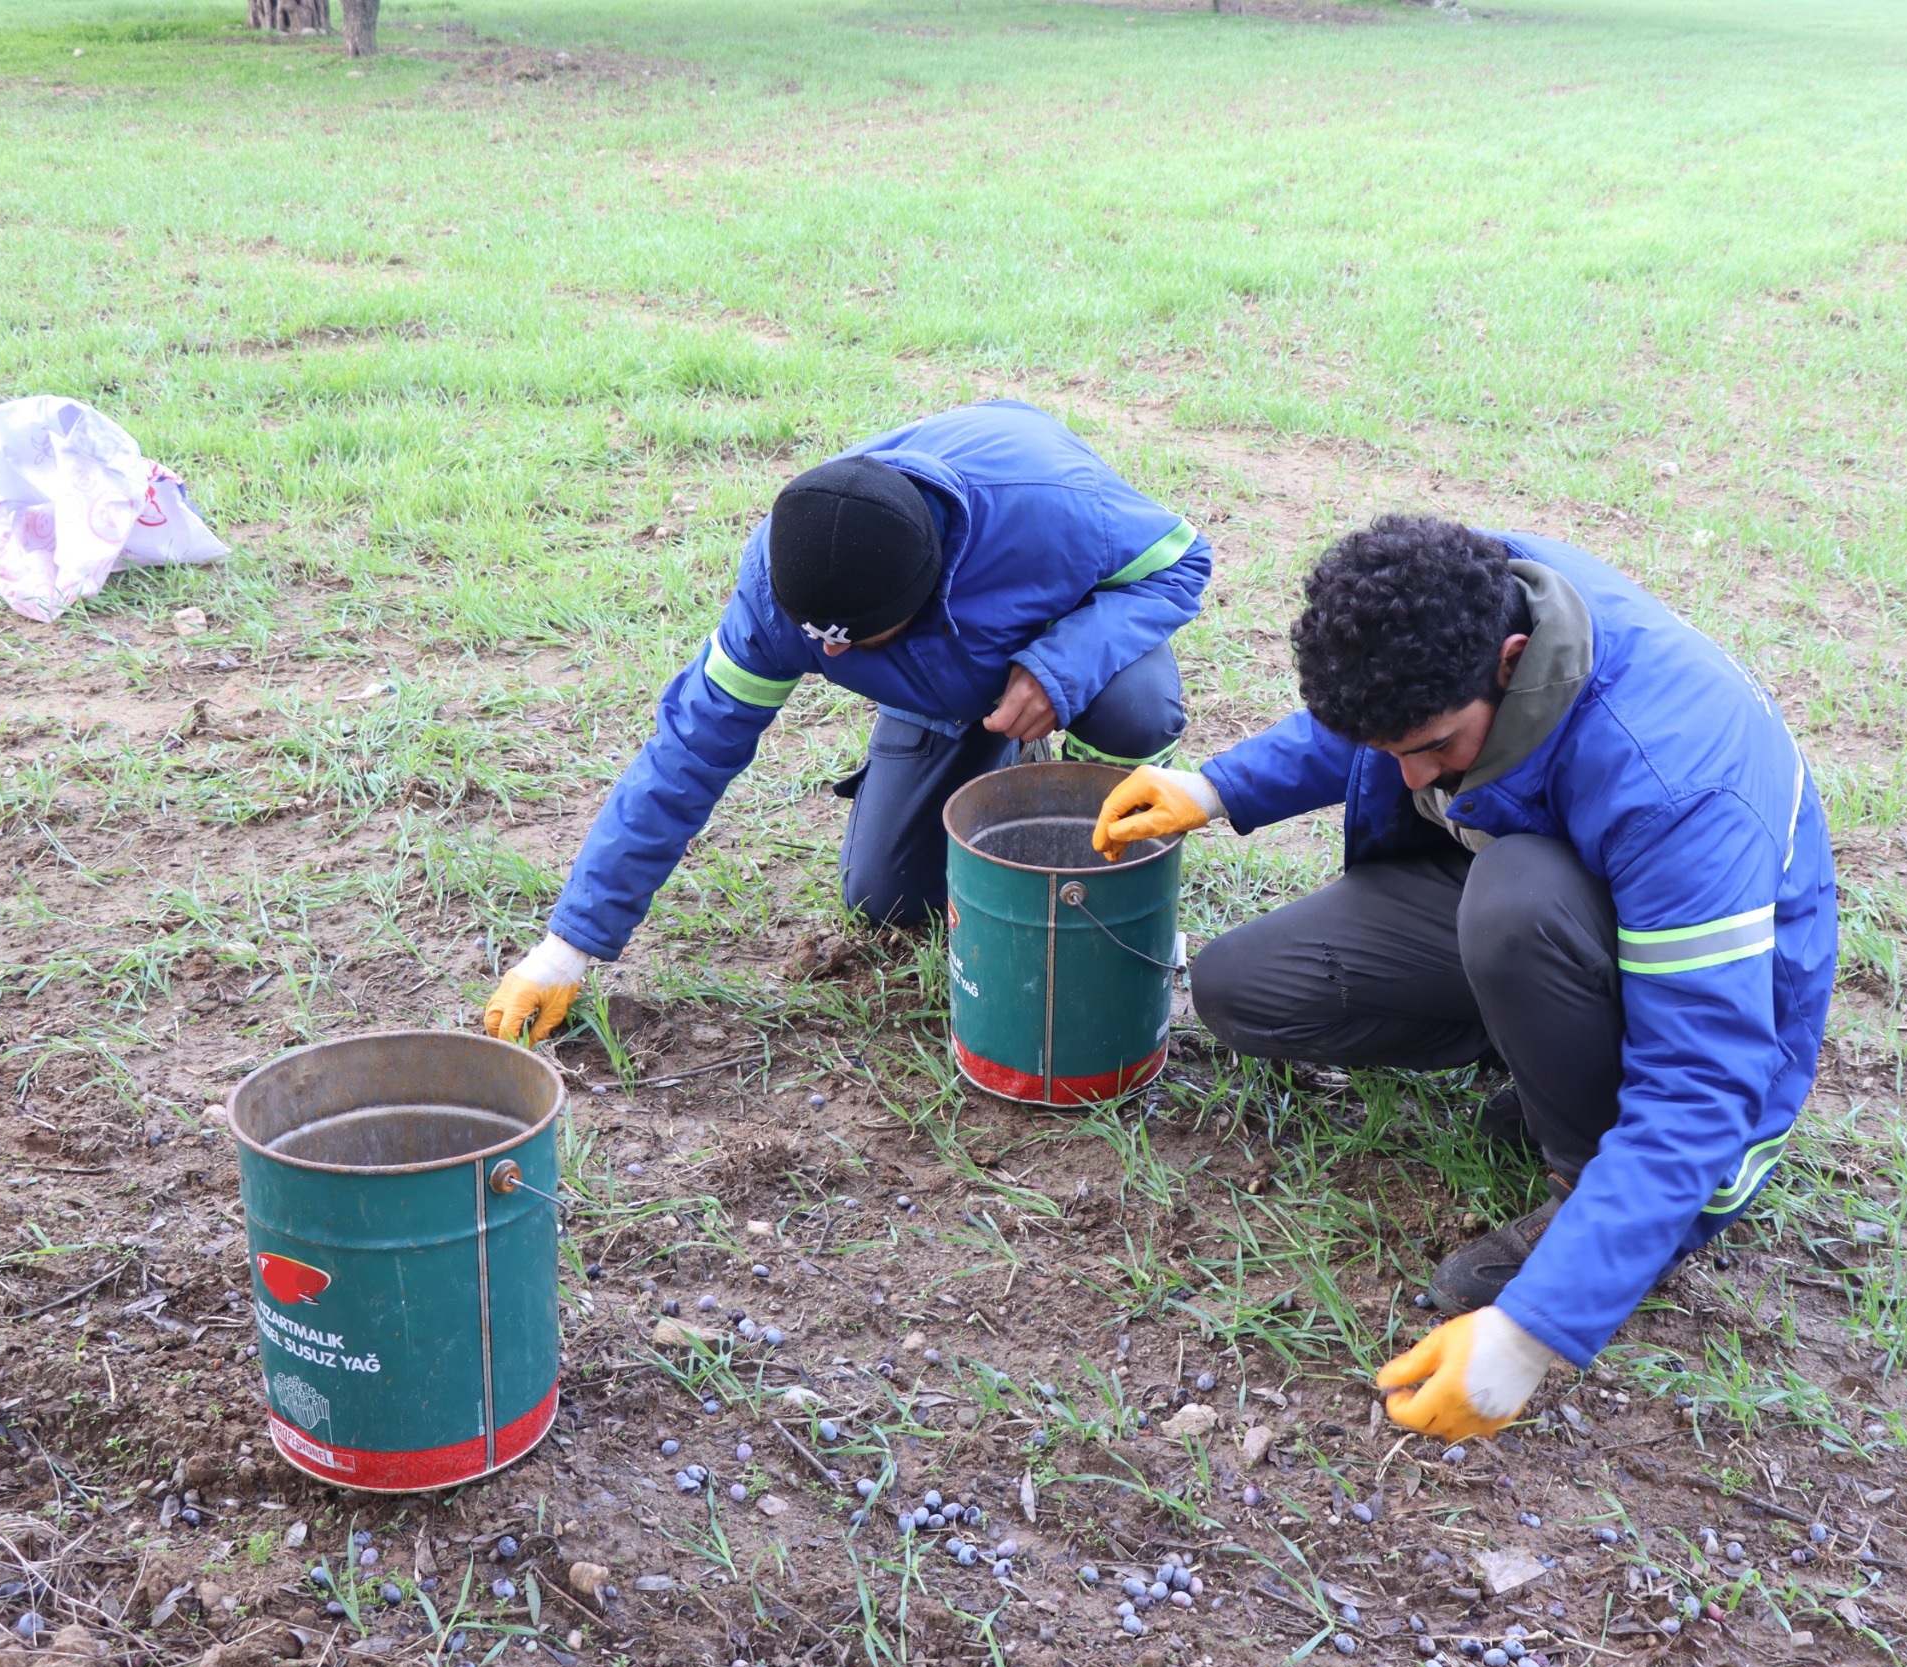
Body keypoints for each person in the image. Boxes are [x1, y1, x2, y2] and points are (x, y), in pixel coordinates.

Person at [1091, 514, 1836, 1441]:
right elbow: (1380, 723)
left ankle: (1583, 1183)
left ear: (1511, 662)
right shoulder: (1459, 600)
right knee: (1245, 985)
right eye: (1389, 751)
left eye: (1435, 747)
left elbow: (1703, 1088)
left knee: (1518, 898)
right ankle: (1538, 1047)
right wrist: (1217, 788)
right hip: (1538, 902)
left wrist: (1533, 1334)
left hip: (1662, 981)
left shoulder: (1677, 787)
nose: (1409, 777)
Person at [483, 400, 1210, 1043]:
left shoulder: (1053, 512)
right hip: (940, 684)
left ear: (923, 598)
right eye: (818, 639)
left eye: (850, 641)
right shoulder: (782, 583)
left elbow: (1182, 562)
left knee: (1134, 710)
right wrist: (565, 949)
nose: (828, 654)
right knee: (885, 893)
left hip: (1066, 634)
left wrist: (1062, 666)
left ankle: (1101, 843)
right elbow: (687, 755)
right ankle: (988, 746)